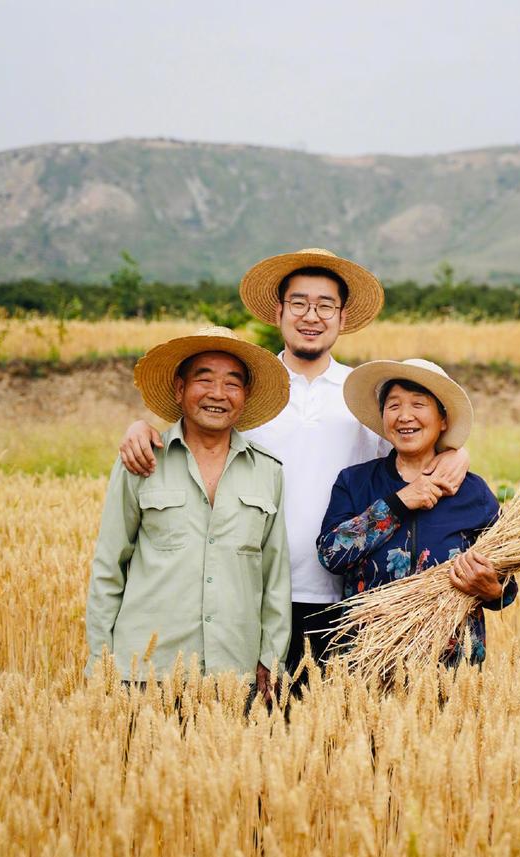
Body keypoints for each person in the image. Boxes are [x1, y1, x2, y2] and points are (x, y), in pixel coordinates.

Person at [118, 250, 470, 685]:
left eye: (326, 305)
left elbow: (416, 447)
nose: (312, 315)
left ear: (342, 317)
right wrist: (142, 427)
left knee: (328, 737)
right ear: (279, 311)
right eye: (299, 303)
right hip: (248, 597)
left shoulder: (363, 396)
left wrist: (457, 452)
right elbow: (197, 436)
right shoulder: (250, 391)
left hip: (344, 599)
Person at [86, 326, 291, 702]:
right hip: (146, 670)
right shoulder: (142, 459)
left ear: (244, 397)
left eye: (232, 383)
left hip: (233, 672)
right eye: (204, 379)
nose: (218, 393)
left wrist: (271, 658)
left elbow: (275, 577)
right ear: (180, 390)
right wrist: (100, 663)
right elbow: (109, 566)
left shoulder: (268, 471)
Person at [317, 358, 517, 668]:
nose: (405, 416)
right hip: (366, 666)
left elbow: (506, 583)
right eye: (394, 405)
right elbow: (331, 555)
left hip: (451, 671)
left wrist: (494, 590)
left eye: (419, 404)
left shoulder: (474, 493)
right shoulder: (355, 482)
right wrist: (397, 503)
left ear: (443, 420)